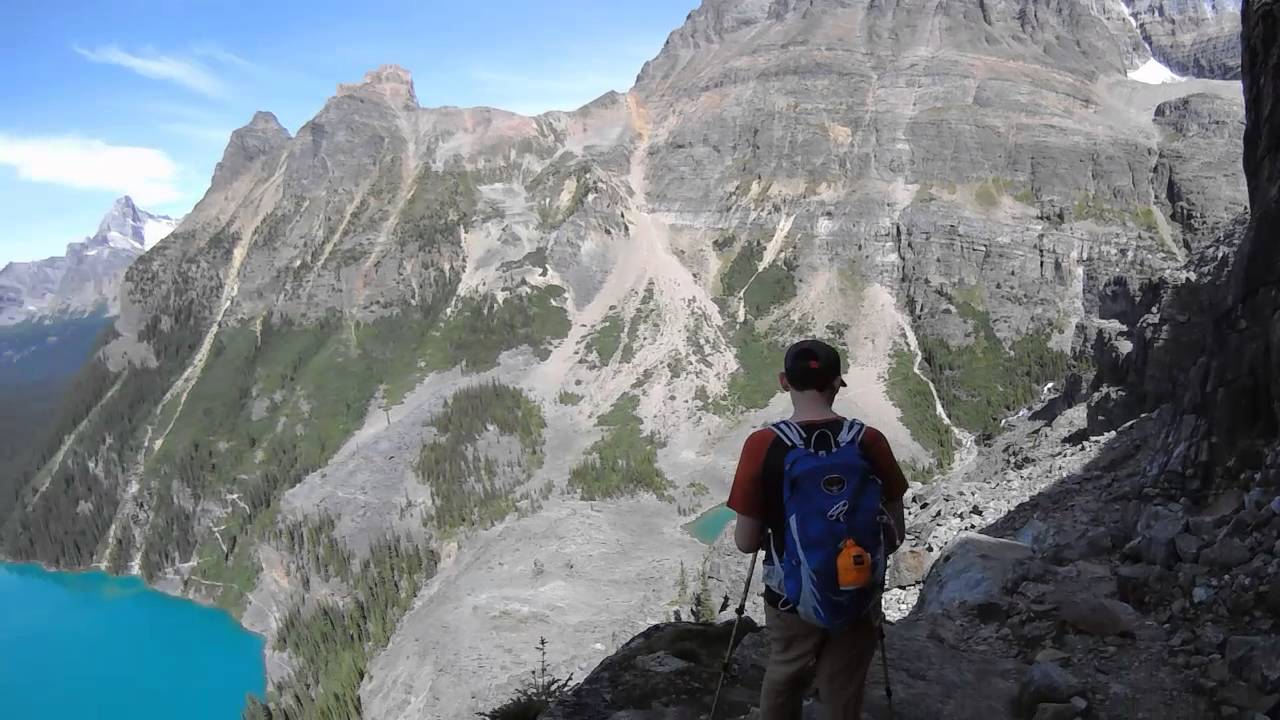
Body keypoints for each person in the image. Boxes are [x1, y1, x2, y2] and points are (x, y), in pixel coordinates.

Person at [727, 339, 909, 720]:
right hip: (857, 584)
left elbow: (746, 542)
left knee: (786, 669)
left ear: (783, 381)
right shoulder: (868, 440)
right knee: (845, 680)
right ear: (837, 384)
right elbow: (895, 535)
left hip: (789, 593)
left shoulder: (762, 445)